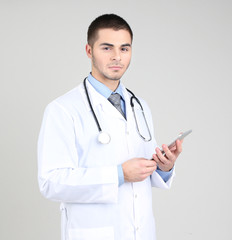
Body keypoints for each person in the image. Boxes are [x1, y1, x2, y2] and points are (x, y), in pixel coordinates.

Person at [38, 14, 183, 240]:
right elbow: (51, 182)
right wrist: (118, 174)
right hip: (93, 232)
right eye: (107, 48)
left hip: (142, 232)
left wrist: (164, 167)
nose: (117, 57)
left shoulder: (140, 106)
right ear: (89, 51)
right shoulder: (63, 109)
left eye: (124, 49)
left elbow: (143, 168)